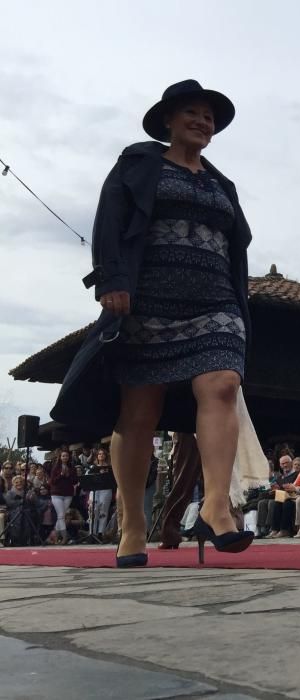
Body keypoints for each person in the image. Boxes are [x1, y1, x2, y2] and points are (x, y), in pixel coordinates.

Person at [50, 80, 254, 568]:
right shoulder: (139, 165)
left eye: (208, 116)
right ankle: (133, 523)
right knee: (139, 411)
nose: (202, 122)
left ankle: (216, 507)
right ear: (168, 119)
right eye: (192, 112)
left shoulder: (220, 183)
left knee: (223, 384)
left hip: (216, 300)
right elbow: (108, 222)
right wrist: (111, 279)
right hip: (147, 300)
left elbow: (234, 243)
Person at [49, 450, 79, 544]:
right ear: (60, 457)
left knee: (60, 516)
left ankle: (54, 537)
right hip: (57, 494)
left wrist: (68, 475)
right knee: (61, 515)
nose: (65, 457)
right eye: (63, 456)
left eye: (66, 456)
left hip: (68, 494)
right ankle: (65, 536)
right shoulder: (55, 468)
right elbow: (52, 481)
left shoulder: (72, 468)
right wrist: (61, 475)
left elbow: (75, 481)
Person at [86, 447, 115, 537]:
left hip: (105, 490)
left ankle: (100, 532)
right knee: (93, 511)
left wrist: (106, 473)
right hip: (95, 491)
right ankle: (92, 532)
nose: (101, 455)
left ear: (105, 456)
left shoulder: (110, 468)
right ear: (97, 456)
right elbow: (88, 479)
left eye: (103, 454)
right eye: (99, 454)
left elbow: (113, 480)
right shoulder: (93, 467)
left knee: (103, 511)